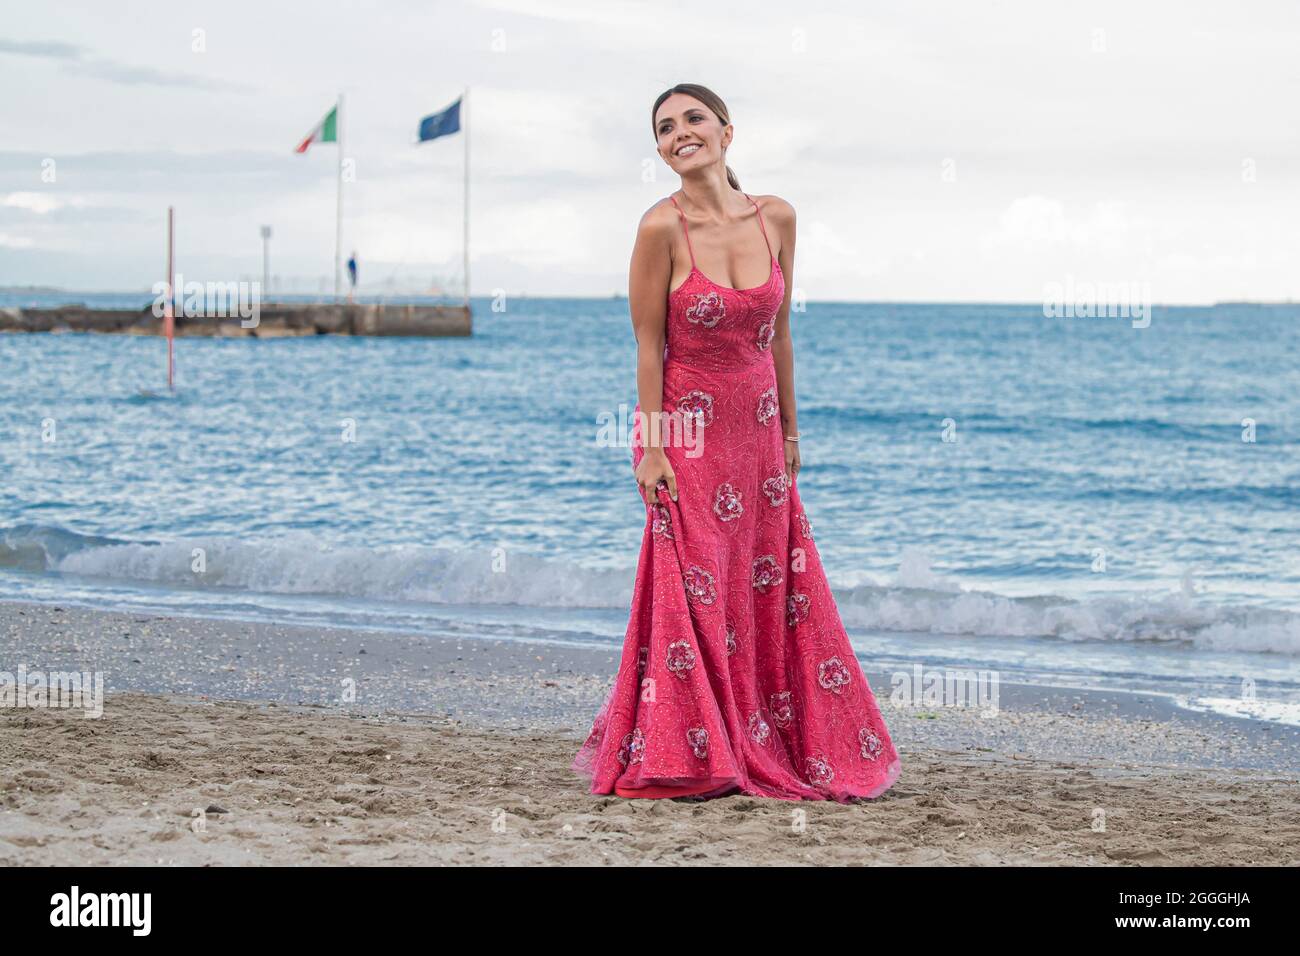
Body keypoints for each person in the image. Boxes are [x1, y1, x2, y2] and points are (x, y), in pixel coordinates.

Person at [570, 84, 901, 802]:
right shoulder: (660, 228)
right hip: (683, 433)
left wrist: (789, 428)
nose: (680, 133)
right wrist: (653, 447)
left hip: (755, 435)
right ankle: (696, 748)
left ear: (726, 131)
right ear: (659, 149)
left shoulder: (777, 216)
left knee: (767, 581)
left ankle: (764, 732)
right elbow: (648, 347)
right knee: (693, 588)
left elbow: (779, 335)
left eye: (693, 119)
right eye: (664, 128)